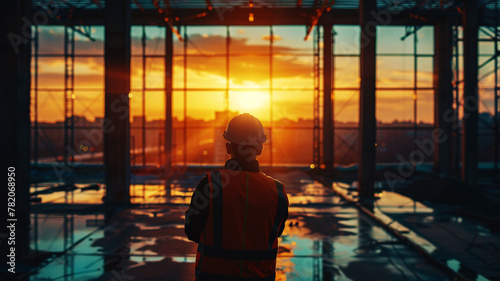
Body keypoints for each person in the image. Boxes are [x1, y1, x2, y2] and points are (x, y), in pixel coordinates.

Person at [185, 113, 289, 281]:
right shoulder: (277, 191)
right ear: (260, 149)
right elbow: (275, 232)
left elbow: (192, 231)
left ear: (228, 147)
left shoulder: (210, 185)